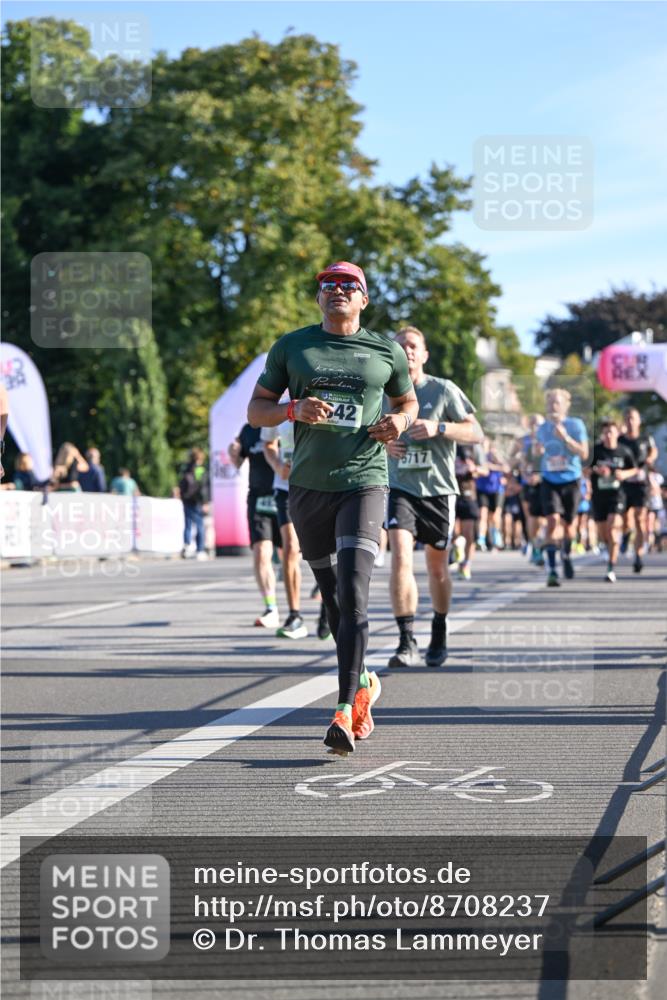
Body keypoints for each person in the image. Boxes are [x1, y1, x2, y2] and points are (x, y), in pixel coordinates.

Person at [247, 260, 417, 754]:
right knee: (333, 598)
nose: (338, 290)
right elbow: (256, 411)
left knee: (353, 589)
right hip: (308, 487)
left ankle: (343, 709)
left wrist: (400, 425)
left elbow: (407, 404)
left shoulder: (385, 351)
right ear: (319, 296)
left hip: (364, 481)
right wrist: (292, 410)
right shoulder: (293, 347)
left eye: (349, 285)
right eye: (329, 284)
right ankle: (364, 679)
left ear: (364, 298)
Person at [384, 326, 483, 668]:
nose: (407, 351)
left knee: (437, 567)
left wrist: (439, 428)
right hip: (399, 488)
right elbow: (364, 434)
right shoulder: (382, 393)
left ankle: (439, 628)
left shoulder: (443, 390)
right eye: (401, 346)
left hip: (439, 490)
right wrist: (383, 443)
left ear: (424, 355)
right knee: (400, 557)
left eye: (413, 346)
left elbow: (476, 432)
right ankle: (406, 639)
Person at [229, 424, 282, 625]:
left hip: (286, 494)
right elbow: (238, 461)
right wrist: (233, 453)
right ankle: (271, 608)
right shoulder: (248, 429)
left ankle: (298, 610)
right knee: (261, 552)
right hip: (258, 497)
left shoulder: (286, 423)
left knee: (291, 555)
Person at [261, 418, 310, 639]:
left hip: (318, 486)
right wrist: (278, 466)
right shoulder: (279, 402)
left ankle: (331, 609)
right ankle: (295, 615)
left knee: (327, 549)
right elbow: (269, 444)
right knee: (290, 548)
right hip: (286, 488)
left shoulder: (321, 392)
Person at [536, 389, 589, 587]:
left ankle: (566, 555)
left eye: (557, 403)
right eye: (549, 403)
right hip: (549, 480)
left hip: (571, 480)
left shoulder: (576, 425)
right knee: (551, 521)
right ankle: (552, 570)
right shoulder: (542, 428)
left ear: (566, 405)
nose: (553, 406)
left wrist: (565, 438)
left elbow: (584, 454)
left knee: (569, 527)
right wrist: (536, 451)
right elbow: (537, 452)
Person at [589, 419, 638, 582]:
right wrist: (596, 470)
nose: (608, 435)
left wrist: (623, 474)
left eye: (611, 432)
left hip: (617, 495)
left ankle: (611, 567)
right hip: (599, 495)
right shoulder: (596, 451)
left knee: (613, 528)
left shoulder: (624, 451)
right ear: (602, 435)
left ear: (617, 433)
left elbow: (634, 468)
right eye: (606, 433)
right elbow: (583, 469)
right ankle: (609, 545)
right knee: (603, 533)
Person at [618, 407, 658, 573]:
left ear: (639, 421)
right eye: (627, 418)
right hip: (624, 484)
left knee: (640, 519)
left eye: (633, 418)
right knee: (626, 521)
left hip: (641, 485)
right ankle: (626, 534)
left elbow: (654, 450)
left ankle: (638, 556)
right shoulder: (620, 440)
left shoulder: (645, 438)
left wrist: (651, 458)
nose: (630, 421)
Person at [453, 443, 488, 579]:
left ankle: (466, 564)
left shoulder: (474, 447)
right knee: (450, 532)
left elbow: (485, 470)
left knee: (468, 532)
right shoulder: (448, 442)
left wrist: (474, 468)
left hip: (468, 493)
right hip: (449, 492)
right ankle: (457, 544)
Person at [475, 438, 508, 550]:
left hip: (497, 489)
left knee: (495, 516)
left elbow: (506, 468)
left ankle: (497, 535)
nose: (483, 445)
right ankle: (481, 538)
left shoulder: (494, 455)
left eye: (485, 443)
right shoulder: (477, 456)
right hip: (482, 489)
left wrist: (493, 462)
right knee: (483, 515)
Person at [177, 448, 209, 561]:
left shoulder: (185, 468)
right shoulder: (200, 470)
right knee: (200, 525)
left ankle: (186, 546)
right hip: (196, 501)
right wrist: (205, 502)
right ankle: (200, 550)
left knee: (187, 524)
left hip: (186, 500)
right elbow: (203, 487)